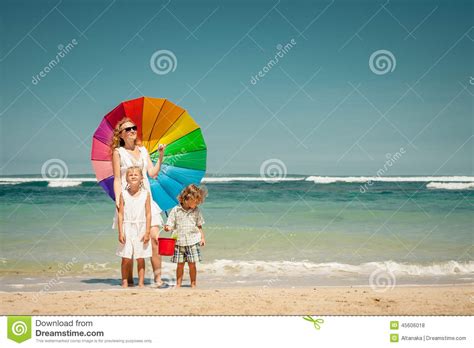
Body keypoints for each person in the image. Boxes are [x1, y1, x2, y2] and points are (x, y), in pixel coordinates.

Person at [111, 117, 165, 287]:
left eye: (134, 128)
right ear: (121, 134)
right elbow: (117, 179)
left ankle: (157, 278)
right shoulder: (118, 152)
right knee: (130, 240)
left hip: (146, 199)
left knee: (155, 238)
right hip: (128, 201)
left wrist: (161, 155)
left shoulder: (143, 150)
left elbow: (152, 172)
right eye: (128, 129)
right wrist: (119, 200)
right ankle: (129, 280)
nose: (133, 131)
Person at [164, 184, 207, 288]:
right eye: (196, 201)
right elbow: (170, 223)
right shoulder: (176, 210)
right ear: (188, 198)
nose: (197, 204)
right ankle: (178, 284)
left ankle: (193, 284)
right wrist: (168, 227)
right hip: (179, 242)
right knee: (180, 265)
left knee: (192, 264)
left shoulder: (196, 210)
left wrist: (202, 237)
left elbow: (199, 225)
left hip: (192, 241)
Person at [116, 166, 151, 288]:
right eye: (130, 175)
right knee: (126, 256)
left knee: (140, 257)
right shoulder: (123, 194)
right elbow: (120, 214)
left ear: (142, 178)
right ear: (126, 179)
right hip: (127, 227)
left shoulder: (146, 194)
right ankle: (125, 281)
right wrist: (120, 232)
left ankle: (141, 282)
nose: (133, 176)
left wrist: (147, 232)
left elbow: (148, 214)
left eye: (136, 174)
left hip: (141, 228)